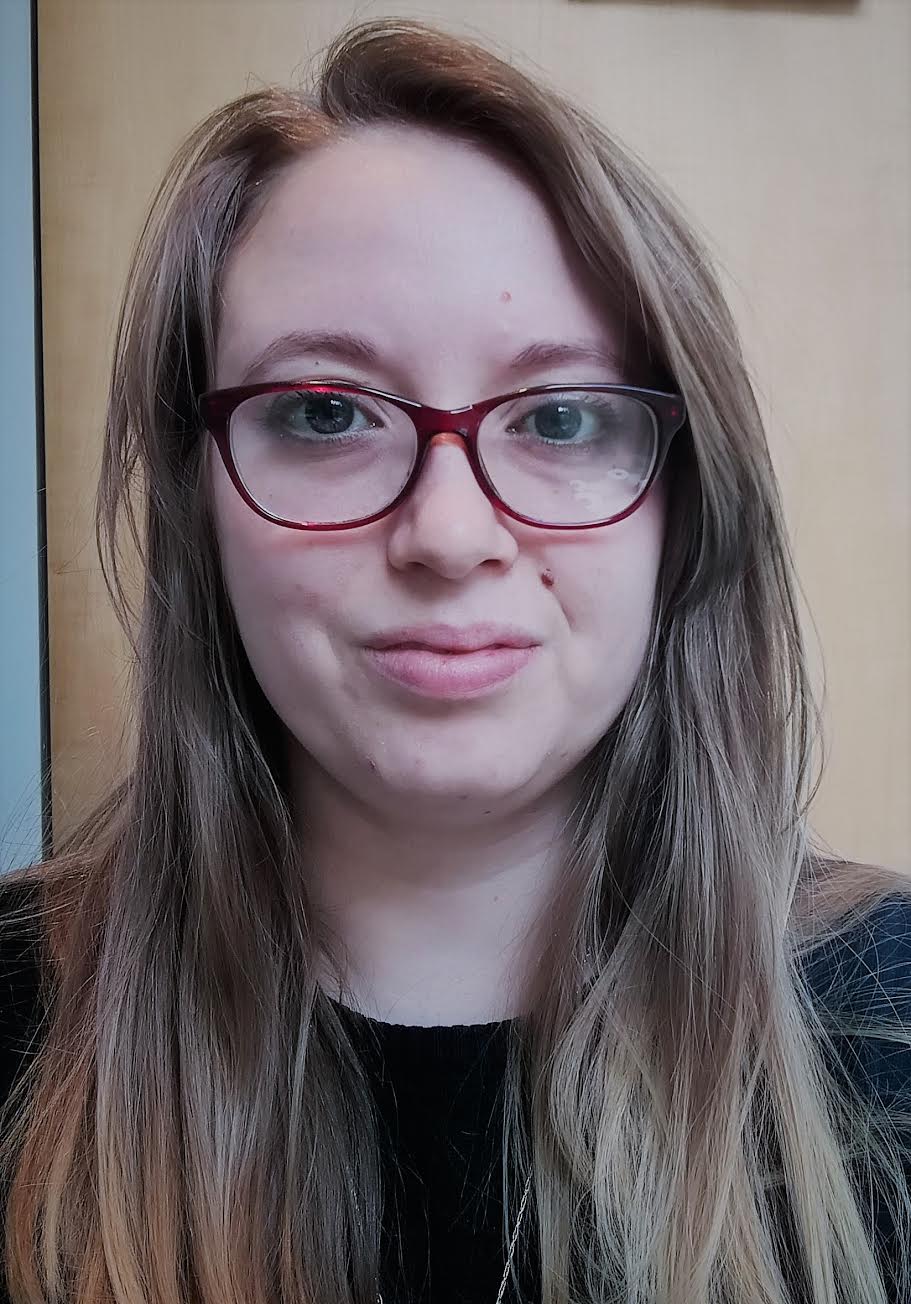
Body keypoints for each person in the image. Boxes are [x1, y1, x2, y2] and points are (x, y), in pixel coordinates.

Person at [1, 15, 909, 1304]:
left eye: (562, 417)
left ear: (684, 507)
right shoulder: (16, 1017)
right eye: (326, 412)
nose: (448, 533)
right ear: (200, 503)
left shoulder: (892, 1014)